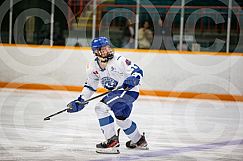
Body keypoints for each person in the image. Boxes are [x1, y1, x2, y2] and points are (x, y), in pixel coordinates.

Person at [66, 36, 148, 154]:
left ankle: (111, 142)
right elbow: (90, 86)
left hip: (128, 91)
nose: (107, 50)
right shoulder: (92, 67)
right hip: (116, 94)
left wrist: (133, 78)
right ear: (96, 52)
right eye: (103, 49)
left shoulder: (119, 60)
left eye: (108, 47)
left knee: (100, 108)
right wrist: (81, 100)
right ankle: (139, 140)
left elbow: (138, 71)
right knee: (121, 119)